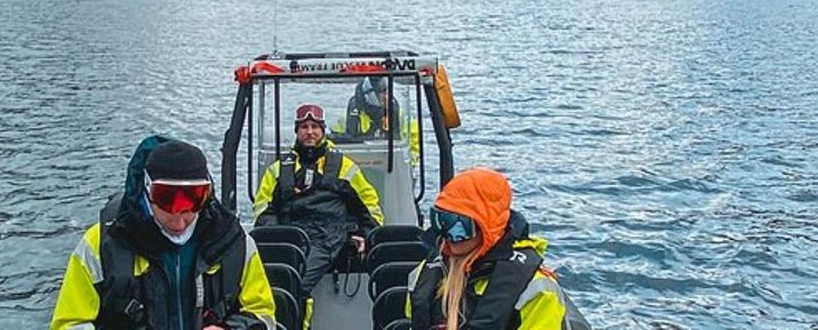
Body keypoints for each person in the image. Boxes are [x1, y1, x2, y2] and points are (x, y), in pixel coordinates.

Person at [52, 135, 276, 330]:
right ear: (147, 191)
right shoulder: (100, 245)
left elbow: (264, 315)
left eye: (191, 207)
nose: (179, 222)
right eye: (167, 205)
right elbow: (69, 323)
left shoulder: (234, 242)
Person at [406, 168, 591, 330]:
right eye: (441, 222)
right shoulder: (424, 274)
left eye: (460, 226)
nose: (449, 235)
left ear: (487, 226)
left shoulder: (536, 291)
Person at [253, 103, 384, 319]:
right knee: (267, 278)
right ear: (297, 132)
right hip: (290, 236)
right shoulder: (279, 169)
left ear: (322, 131)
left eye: (315, 127)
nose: (310, 132)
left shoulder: (343, 167)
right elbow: (262, 208)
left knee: (296, 282)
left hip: (327, 236)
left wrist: (367, 235)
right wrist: (275, 234)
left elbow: (369, 205)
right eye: (304, 127)